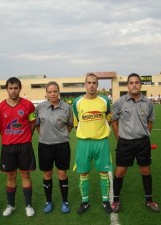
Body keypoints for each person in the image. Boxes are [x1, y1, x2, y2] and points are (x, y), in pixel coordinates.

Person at [111, 73, 159, 213]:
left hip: (143, 143)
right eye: (131, 82)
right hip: (125, 143)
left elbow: (150, 122)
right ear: (128, 85)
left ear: (140, 84)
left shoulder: (148, 103)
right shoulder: (120, 102)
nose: (134, 85)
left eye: (136, 82)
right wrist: (119, 138)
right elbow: (114, 121)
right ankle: (116, 200)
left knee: (145, 170)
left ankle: (149, 200)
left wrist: (145, 135)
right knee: (120, 172)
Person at [0, 77, 36, 217]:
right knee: (10, 176)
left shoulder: (29, 105)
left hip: (25, 146)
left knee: (25, 174)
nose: (13, 91)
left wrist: (25, 136)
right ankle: (11, 205)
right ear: (7, 89)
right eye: (10, 88)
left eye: (16, 88)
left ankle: (28, 205)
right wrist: (10, 137)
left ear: (20, 88)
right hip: (8, 147)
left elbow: (32, 123)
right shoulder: (0, 107)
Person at [72, 73, 112, 215]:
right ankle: (85, 201)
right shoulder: (77, 102)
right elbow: (77, 123)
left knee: (104, 172)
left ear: (97, 85)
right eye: (89, 82)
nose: (91, 85)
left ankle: (106, 200)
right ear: (85, 84)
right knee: (83, 172)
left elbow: (107, 119)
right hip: (84, 142)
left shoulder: (105, 101)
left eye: (94, 83)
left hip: (101, 142)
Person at [35, 81, 73, 214]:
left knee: (62, 173)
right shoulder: (40, 107)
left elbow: (70, 125)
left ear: (59, 92)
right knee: (47, 174)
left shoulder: (67, 108)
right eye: (50, 92)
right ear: (46, 93)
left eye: (55, 91)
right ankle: (49, 201)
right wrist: (45, 136)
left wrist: (60, 136)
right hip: (45, 145)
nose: (52, 94)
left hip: (62, 145)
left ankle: (65, 201)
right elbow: (37, 125)